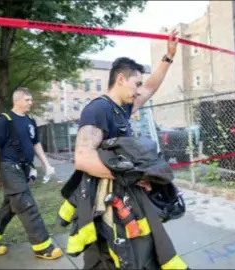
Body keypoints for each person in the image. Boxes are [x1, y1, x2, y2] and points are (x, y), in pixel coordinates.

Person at [74, 30, 180, 269]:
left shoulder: (122, 108)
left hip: (123, 195)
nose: (139, 90)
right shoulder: (98, 110)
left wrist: (168, 57)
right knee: (113, 255)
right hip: (105, 201)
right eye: (136, 84)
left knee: (123, 255)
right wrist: (131, 176)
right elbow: (82, 158)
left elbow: (151, 87)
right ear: (121, 79)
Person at [0, 87, 62, 260]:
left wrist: (47, 165)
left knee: (10, 206)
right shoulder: (4, 120)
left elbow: (36, 144)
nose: (30, 103)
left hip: (23, 169)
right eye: (27, 99)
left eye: (31, 100)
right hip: (9, 169)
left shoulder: (30, 120)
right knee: (25, 204)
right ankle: (42, 246)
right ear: (17, 100)